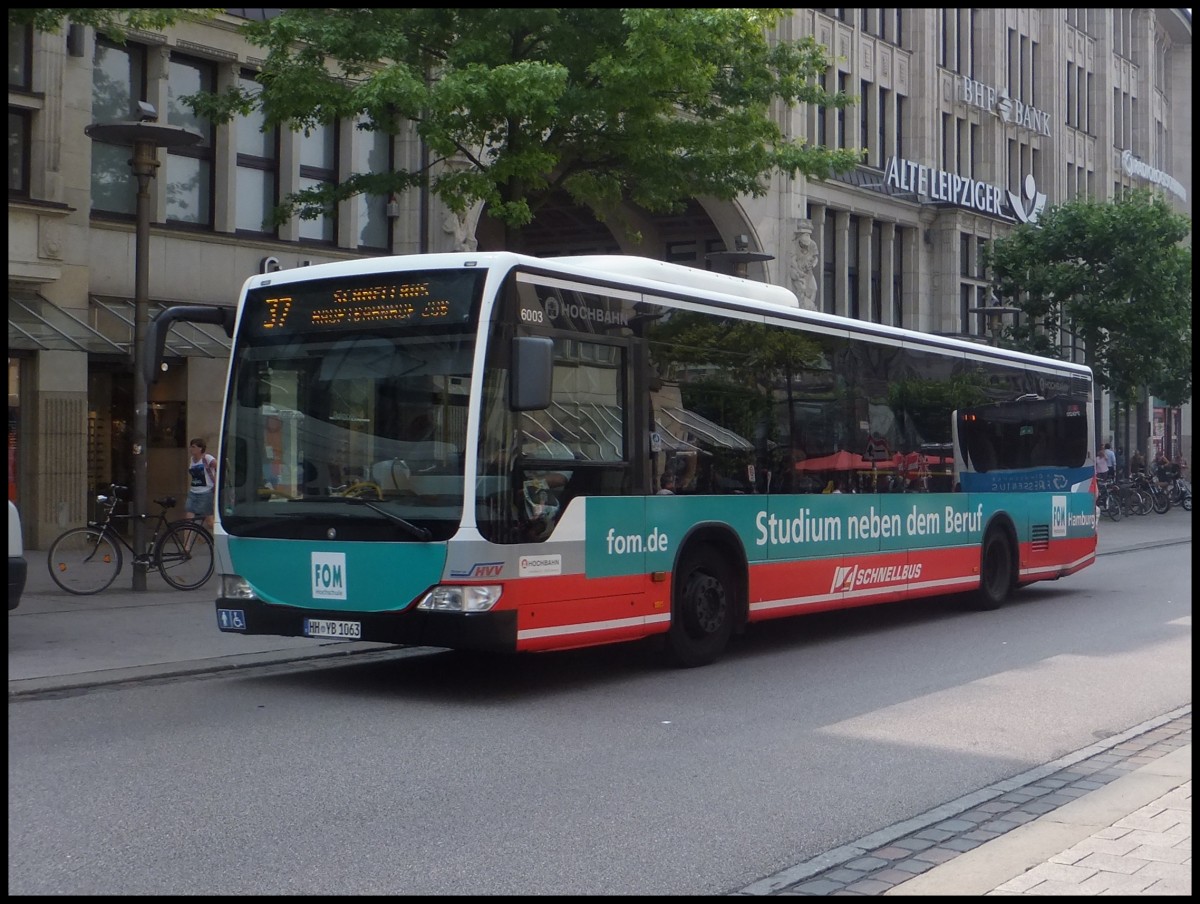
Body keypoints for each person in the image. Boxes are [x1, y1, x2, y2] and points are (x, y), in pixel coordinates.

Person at [185, 438, 218, 532]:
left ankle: (219, 538)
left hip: (205, 492)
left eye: (193, 447)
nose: (191, 449)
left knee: (209, 521)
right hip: (193, 492)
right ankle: (186, 546)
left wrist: (215, 483)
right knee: (188, 520)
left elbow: (219, 466)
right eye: (191, 446)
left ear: (200, 448)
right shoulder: (192, 459)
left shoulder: (207, 458)